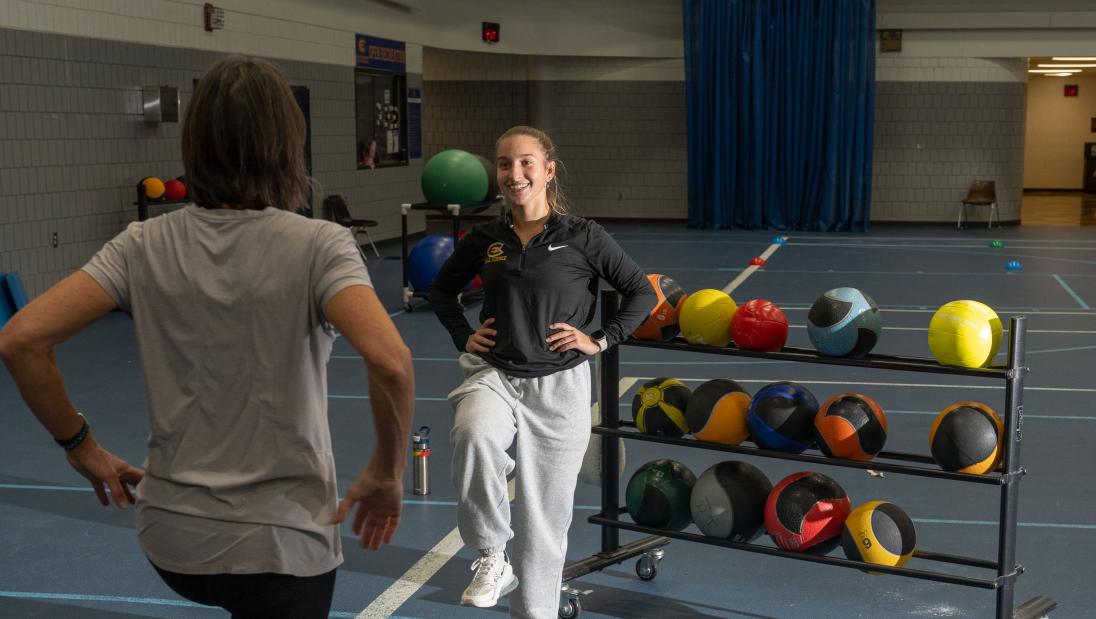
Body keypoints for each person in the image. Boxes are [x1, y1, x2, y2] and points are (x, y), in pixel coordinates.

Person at [0, 55, 415, 619]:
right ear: (288, 143)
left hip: (173, 543)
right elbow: (390, 362)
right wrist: (388, 473)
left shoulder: (139, 243)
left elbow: (20, 339)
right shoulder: (321, 244)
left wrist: (81, 448)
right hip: (281, 548)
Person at [428, 125, 656, 618]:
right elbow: (442, 291)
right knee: (473, 434)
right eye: (506, 164)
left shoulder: (583, 236)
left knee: (543, 527)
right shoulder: (486, 237)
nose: (515, 174)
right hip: (495, 373)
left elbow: (642, 292)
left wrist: (599, 339)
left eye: (526, 162)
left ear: (548, 170)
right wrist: (461, 334)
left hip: (560, 388)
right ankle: (491, 552)